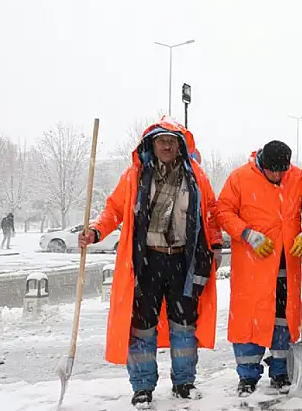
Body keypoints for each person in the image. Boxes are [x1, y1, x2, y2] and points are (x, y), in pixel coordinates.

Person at [78, 117, 222, 407]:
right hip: (147, 262)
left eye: (171, 141)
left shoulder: (197, 177)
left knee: (184, 325)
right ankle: (142, 385)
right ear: (151, 145)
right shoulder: (135, 176)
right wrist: (95, 231)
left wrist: (216, 243)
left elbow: (210, 214)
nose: (167, 146)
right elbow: (113, 210)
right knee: (142, 326)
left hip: (183, 261)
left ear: (180, 145)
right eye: (161, 141)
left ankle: (184, 382)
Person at [216, 140, 302, 396]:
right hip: (253, 266)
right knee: (250, 318)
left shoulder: (299, 177)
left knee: (283, 319)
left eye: (283, 170)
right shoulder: (240, 178)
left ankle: (281, 370)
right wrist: (248, 234)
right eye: (273, 171)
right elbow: (223, 212)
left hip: (288, 263)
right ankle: (247, 376)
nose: (278, 176)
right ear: (262, 163)